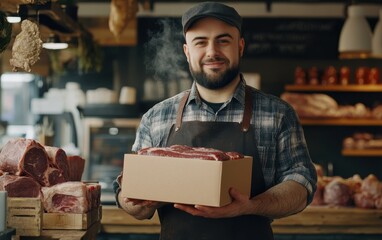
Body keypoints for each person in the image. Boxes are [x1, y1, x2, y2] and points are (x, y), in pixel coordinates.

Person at [114, 2, 317, 239]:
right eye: (200, 42)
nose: (212, 51)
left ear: (240, 46)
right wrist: (140, 200)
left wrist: (250, 205)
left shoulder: (278, 114)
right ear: (187, 51)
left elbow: (301, 184)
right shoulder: (157, 117)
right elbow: (127, 194)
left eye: (223, 40)